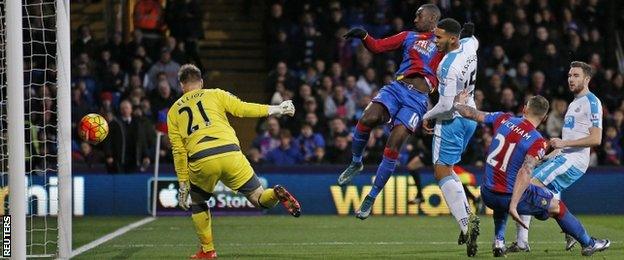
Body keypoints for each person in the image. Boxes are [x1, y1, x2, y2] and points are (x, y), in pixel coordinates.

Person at [167, 64, 301, 258]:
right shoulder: (215, 94)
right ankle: (275, 193)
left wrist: (182, 182)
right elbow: (243, 109)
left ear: (181, 85)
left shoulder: (173, 111)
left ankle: (208, 250)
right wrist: (277, 108)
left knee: (198, 202)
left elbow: (178, 151)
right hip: (230, 152)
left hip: (202, 158)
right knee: (259, 199)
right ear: (201, 82)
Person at [455, 93, 610, 257]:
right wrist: (513, 205)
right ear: (544, 119)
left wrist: (456, 103)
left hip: (486, 193)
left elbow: (471, 113)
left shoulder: (503, 118)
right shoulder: (537, 141)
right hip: (507, 198)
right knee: (557, 206)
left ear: (524, 109)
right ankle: (589, 243)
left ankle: (499, 241)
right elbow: (526, 170)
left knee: (501, 191)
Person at [336, 4, 444, 221]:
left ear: (432, 19)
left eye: (419, 15)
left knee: (394, 143)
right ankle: (357, 161)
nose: (415, 19)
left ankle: (371, 196)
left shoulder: (444, 45)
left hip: (417, 100)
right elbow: (377, 46)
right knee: (368, 118)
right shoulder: (408, 36)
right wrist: (364, 36)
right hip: (397, 88)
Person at [510, 61, 605, 252]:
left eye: (576, 75)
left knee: (526, 188)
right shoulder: (574, 103)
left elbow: (596, 139)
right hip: (563, 157)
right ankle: (568, 231)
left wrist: (563, 143)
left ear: (587, 79)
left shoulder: (592, 102)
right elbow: (572, 138)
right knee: (527, 188)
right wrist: (551, 154)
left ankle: (525, 242)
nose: (571, 79)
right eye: (570, 75)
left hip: (574, 161)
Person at [420, 19, 481, 256]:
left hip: (451, 121)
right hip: (470, 117)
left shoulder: (446, 66)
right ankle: (465, 214)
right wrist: (469, 33)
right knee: (450, 169)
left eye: (439, 37)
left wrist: (427, 115)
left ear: (452, 39)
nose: (435, 41)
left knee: (441, 171)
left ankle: (466, 224)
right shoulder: (469, 46)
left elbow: (445, 105)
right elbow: (473, 39)